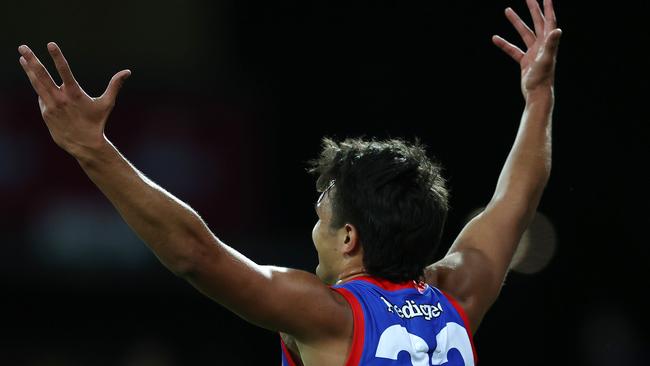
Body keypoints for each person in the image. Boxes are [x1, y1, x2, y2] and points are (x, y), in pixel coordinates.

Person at [17, 0, 561, 363]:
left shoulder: (328, 314)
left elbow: (195, 253)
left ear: (350, 238)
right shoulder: (459, 294)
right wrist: (538, 98)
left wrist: (92, 150)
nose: (314, 223)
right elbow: (517, 196)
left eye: (323, 212)